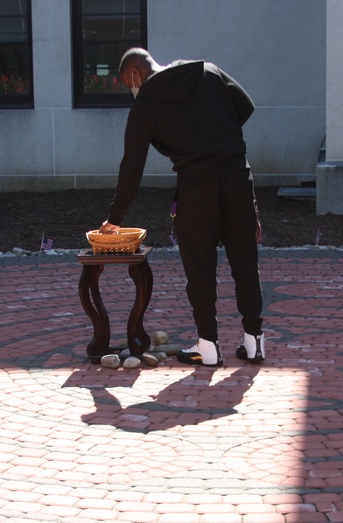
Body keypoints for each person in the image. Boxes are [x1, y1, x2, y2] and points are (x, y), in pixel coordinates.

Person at [98, 48, 265, 367]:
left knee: (201, 268)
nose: (130, 90)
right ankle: (254, 341)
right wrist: (218, 134)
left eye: (126, 83)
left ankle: (209, 346)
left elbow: (132, 166)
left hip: (196, 185)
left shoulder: (146, 104)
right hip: (237, 175)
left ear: (135, 74)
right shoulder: (208, 70)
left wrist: (115, 217)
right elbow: (246, 105)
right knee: (245, 260)